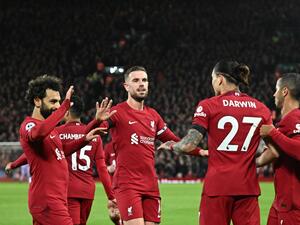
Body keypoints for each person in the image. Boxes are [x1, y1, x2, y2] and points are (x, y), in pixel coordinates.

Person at [159, 60, 272, 225]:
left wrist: (172, 145)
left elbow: (188, 144)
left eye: (212, 79)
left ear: (219, 79)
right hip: (248, 188)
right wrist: (252, 163)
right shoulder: (261, 109)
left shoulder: (209, 105)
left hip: (217, 188)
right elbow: (267, 150)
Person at [101, 66, 203, 225]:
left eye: (144, 80)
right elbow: (96, 130)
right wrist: (97, 122)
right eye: (136, 80)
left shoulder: (153, 116)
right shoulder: (117, 112)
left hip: (150, 184)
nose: (141, 84)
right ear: (126, 86)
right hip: (127, 183)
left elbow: (178, 142)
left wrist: (203, 152)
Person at [18, 75, 113, 225]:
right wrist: (64, 108)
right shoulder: (29, 125)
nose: (57, 106)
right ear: (37, 101)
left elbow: (62, 152)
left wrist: (85, 138)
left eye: (59, 102)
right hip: (48, 201)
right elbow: (37, 133)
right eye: (53, 101)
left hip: (56, 198)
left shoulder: (53, 131)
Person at [55, 95, 117, 225]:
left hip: (67, 190)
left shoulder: (56, 133)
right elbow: (102, 169)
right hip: (87, 191)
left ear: (66, 112)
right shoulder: (94, 134)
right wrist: (111, 196)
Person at [256, 73, 300, 225]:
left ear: (284, 91)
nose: (274, 94)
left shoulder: (295, 118)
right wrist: (250, 162)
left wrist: (273, 133)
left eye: (276, 89)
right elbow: (275, 153)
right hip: (280, 203)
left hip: (293, 206)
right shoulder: (287, 121)